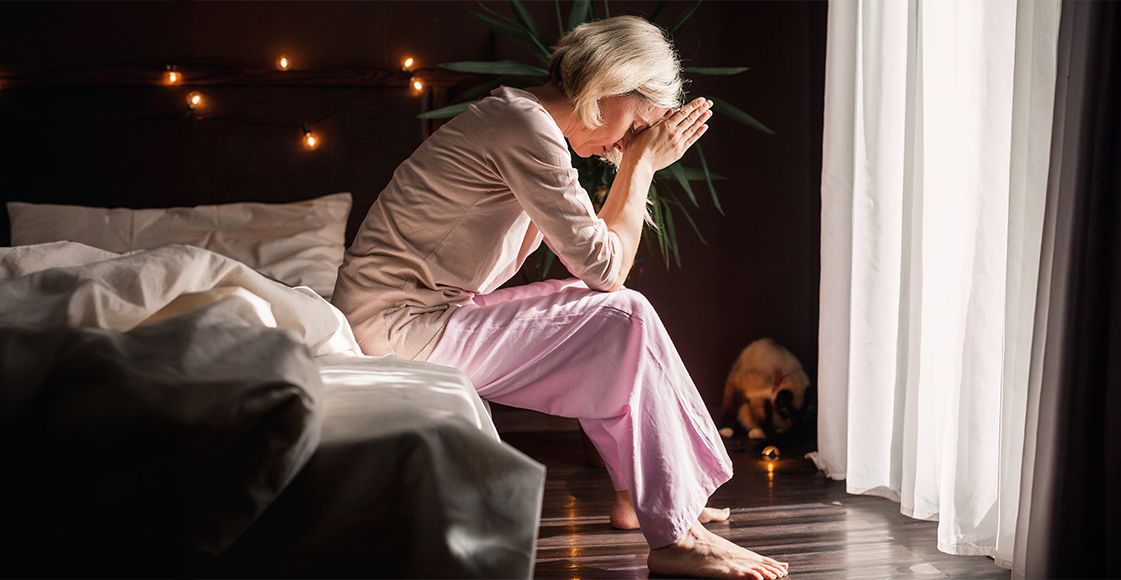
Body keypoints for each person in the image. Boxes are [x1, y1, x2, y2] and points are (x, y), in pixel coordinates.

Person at [332, 15, 788, 580]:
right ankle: (678, 534)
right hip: (398, 326)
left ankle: (639, 500)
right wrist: (641, 165)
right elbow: (606, 270)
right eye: (637, 124)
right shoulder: (523, 127)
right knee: (623, 315)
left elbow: (594, 257)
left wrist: (634, 159)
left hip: (413, 315)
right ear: (611, 84)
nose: (627, 144)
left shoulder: (521, 121)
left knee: (609, 325)